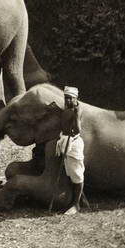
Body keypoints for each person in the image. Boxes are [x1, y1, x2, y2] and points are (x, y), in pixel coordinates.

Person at [55, 86, 85, 215]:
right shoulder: (67, 109)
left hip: (74, 143)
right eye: (66, 98)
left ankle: (76, 204)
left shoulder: (76, 110)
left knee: (77, 174)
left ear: (76, 98)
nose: (67, 101)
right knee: (70, 173)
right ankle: (76, 200)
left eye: (70, 98)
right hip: (65, 141)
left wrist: (76, 117)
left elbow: (78, 130)